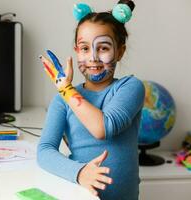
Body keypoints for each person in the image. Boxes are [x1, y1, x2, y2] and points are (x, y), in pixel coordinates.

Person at [37, 0, 145, 199]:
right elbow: (44, 151)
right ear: (77, 51)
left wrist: (67, 90)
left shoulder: (130, 87)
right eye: (85, 48)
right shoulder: (62, 100)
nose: (93, 57)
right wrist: (79, 173)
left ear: (120, 51)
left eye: (103, 48)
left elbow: (103, 127)